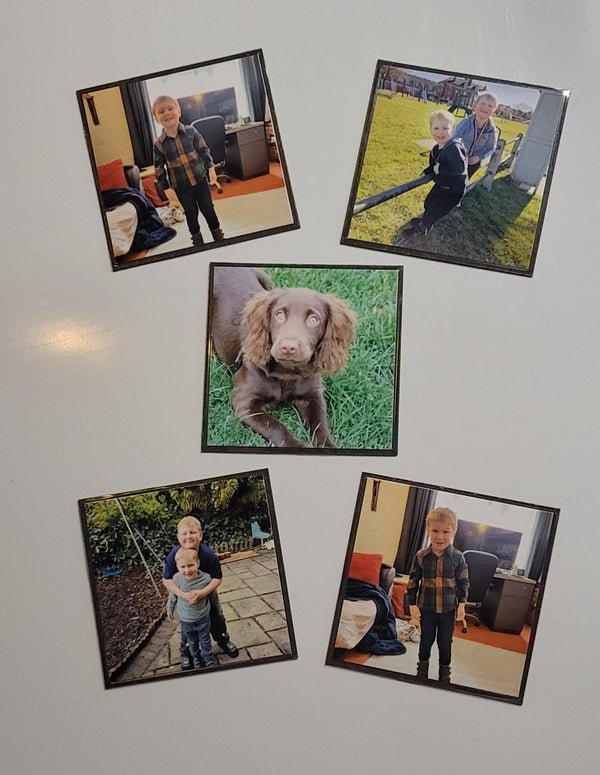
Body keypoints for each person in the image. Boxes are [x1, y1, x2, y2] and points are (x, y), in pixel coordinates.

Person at [163, 515, 239, 669]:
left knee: (216, 617)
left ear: (200, 535)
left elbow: (217, 578)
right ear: (178, 537)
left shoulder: (208, 555)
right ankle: (186, 652)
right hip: (185, 598)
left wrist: (202, 593)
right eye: (184, 533)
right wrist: (183, 595)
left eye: (192, 532)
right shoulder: (174, 555)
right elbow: (167, 580)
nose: (188, 536)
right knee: (187, 626)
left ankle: (223, 639)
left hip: (207, 592)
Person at [152, 95, 225, 247]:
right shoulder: (158, 144)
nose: (167, 113)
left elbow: (204, 149)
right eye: (161, 111)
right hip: (181, 187)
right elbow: (159, 169)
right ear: (156, 119)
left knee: (208, 209)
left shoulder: (191, 131)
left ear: (179, 112)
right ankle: (197, 240)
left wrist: (211, 168)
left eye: (170, 108)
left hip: (200, 180)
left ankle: (218, 235)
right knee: (191, 214)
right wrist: (166, 189)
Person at [406, 507, 469, 683]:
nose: (440, 537)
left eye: (446, 532)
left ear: (453, 532)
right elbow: (413, 581)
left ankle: (444, 673)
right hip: (426, 609)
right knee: (425, 641)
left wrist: (462, 604)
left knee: (445, 643)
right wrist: (412, 604)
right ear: (428, 530)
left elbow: (464, 582)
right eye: (435, 531)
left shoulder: (458, 557)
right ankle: (422, 671)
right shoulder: (421, 556)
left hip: (448, 611)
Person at [403, 109, 468, 238]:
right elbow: (434, 164)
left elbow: (458, 168)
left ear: (453, 130)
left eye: (445, 128)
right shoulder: (436, 148)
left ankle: (421, 228)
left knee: (435, 210)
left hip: (453, 190)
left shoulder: (454, 148)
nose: (440, 132)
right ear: (431, 130)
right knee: (429, 202)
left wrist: (440, 169)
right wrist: (429, 170)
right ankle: (425, 221)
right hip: (442, 184)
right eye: (436, 128)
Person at [166, 548, 215, 669]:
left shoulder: (206, 578)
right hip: (186, 620)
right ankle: (196, 659)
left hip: (203, 618)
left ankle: (209, 661)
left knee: (205, 641)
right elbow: (172, 595)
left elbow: (213, 595)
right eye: (182, 567)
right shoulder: (177, 579)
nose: (187, 570)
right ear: (177, 567)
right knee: (192, 642)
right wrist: (170, 609)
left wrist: (218, 608)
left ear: (198, 563)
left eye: (191, 565)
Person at [453, 91, 499, 178]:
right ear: (475, 106)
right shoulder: (466, 122)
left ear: (493, 112)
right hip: (458, 158)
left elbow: (491, 147)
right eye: (483, 103)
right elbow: (454, 138)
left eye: (490, 106)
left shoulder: (491, 129)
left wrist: (479, 157)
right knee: (448, 179)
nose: (485, 107)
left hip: (473, 162)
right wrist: (458, 153)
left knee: (463, 182)